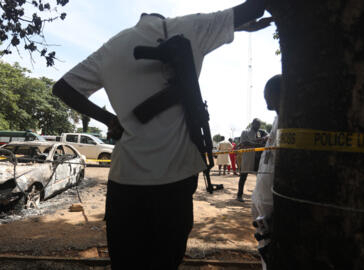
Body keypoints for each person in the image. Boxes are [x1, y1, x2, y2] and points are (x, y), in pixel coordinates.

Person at [52, 1, 268, 268]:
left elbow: (62, 88)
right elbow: (255, 8)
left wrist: (110, 119)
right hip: (175, 180)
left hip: (125, 181)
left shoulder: (111, 47)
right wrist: (237, 26)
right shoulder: (192, 26)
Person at [251, 74, 281, 269]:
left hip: (272, 201)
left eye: (267, 92)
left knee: (273, 251)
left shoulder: (289, 122)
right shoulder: (277, 119)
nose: (264, 96)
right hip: (262, 198)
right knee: (264, 247)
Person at [236, 118, 266, 202]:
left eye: (259, 124)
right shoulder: (245, 132)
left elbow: (268, 137)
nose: (258, 126)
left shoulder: (261, 132)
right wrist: (257, 144)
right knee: (243, 177)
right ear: (252, 123)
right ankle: (239, 195)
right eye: (256, 124)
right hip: (248, 157)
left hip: (258, 158)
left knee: (260, 178)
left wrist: (263, 139)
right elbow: (243, 143)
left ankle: (259, 196)